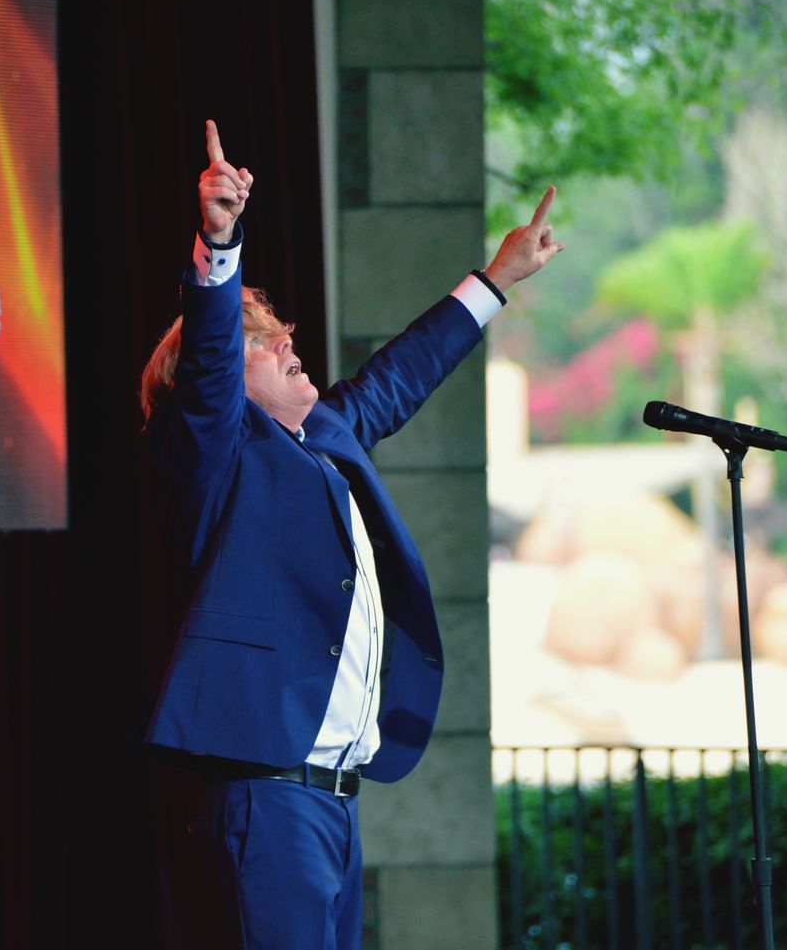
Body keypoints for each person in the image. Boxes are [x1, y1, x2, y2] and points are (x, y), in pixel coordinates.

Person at [140, 120, 563, 950]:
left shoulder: (324, 436)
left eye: (283, 332)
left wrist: (497, 277)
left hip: (332, 803)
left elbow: (399, 376)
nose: (291, 343)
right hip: (268, 798)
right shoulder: (213, 452)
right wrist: (219, 244)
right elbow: (211, 366)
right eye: (267, 342)